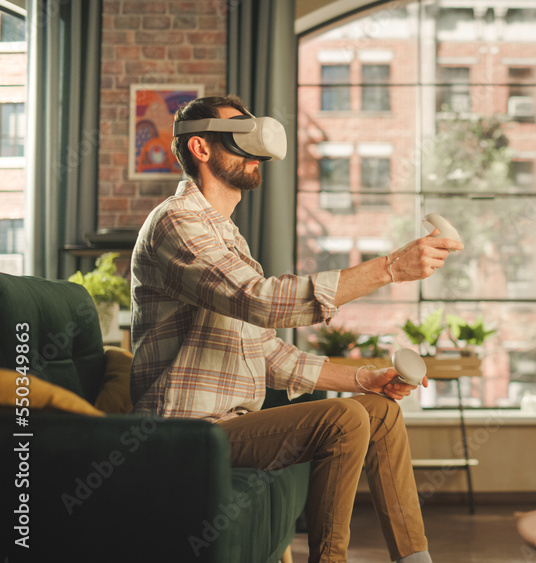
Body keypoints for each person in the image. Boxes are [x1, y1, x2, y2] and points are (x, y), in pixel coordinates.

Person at [129, 95, 460, 563]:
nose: (255, 150)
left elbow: (269, 353)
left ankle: (415, 559)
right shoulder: (176, 224)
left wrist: (365, 379)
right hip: (184, 434)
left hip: (234, 424)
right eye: (239, 138)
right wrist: (389, 268)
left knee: (378, 410)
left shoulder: (228, 238)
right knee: (342, 419)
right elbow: (259, 300)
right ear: (201, 148)